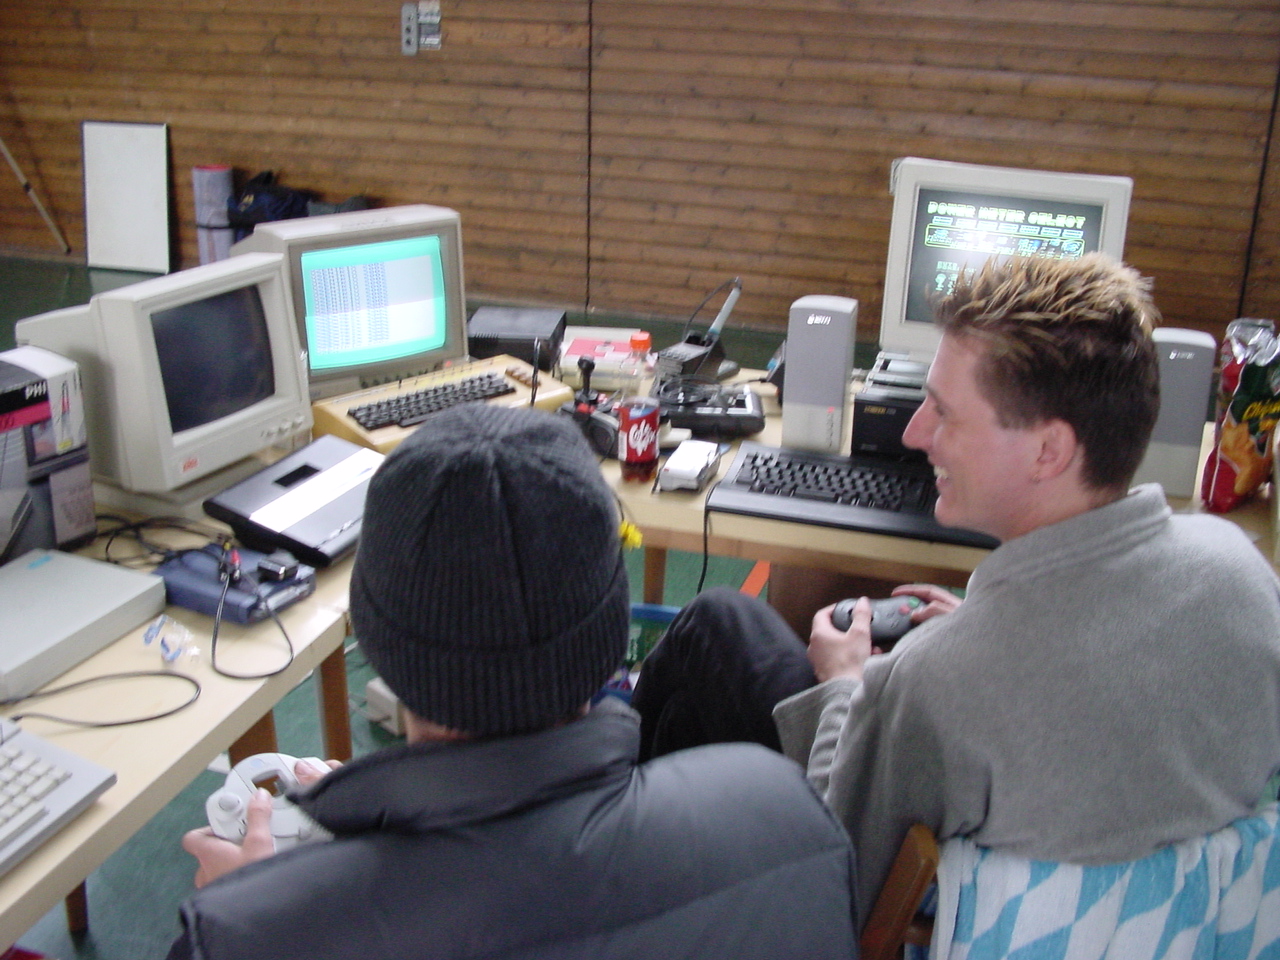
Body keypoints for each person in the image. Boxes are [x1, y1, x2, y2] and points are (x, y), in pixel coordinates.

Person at [632, 252, 1280, 927]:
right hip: (1161, 929)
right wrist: (975, 620)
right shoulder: (1241, 574)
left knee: (717, 625)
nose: (915, 433)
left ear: (1048, 451)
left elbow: (837, 869)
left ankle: (618, 873)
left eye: (943, 412)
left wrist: (845, 685)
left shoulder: (938, 682)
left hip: (918, 912)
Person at [167, 403, 859, 960]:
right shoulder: (784, 805)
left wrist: (273, 916)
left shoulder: (247, 932)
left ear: (376, 641)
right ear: (607, 632)